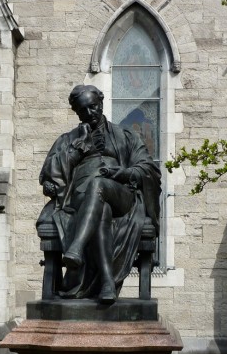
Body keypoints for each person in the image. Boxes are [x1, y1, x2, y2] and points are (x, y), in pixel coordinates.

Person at [38, 85, 161, 304]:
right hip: (80, 199)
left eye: (93, 107)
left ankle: (76, 246)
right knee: (100, 205)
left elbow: (149, 168)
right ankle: (107, 283)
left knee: (99, 185)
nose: (89, 113)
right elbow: (49, 174)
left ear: (101, 103)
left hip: (121, 195)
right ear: (77, 112)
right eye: (83, 110)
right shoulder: (68, 140)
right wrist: (77, 150)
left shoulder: (125, 135)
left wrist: (124, 173)